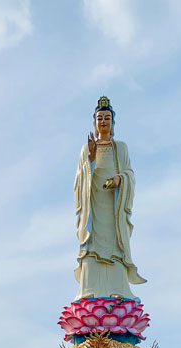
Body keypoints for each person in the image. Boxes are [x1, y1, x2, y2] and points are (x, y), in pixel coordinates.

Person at [73, 96, 142, 300]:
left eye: (107, 118)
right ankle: (89, 290)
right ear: (94, 122)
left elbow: (130, 174)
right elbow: (79, 182)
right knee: (91, 242)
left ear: (112, 123)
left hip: (114, 206)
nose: (103, 121)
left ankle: (118, 290)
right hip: (93, 205)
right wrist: (91, 160)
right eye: (99, 118)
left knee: (116, 243)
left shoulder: (120, 147)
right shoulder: (87, 148)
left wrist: (121, 179)